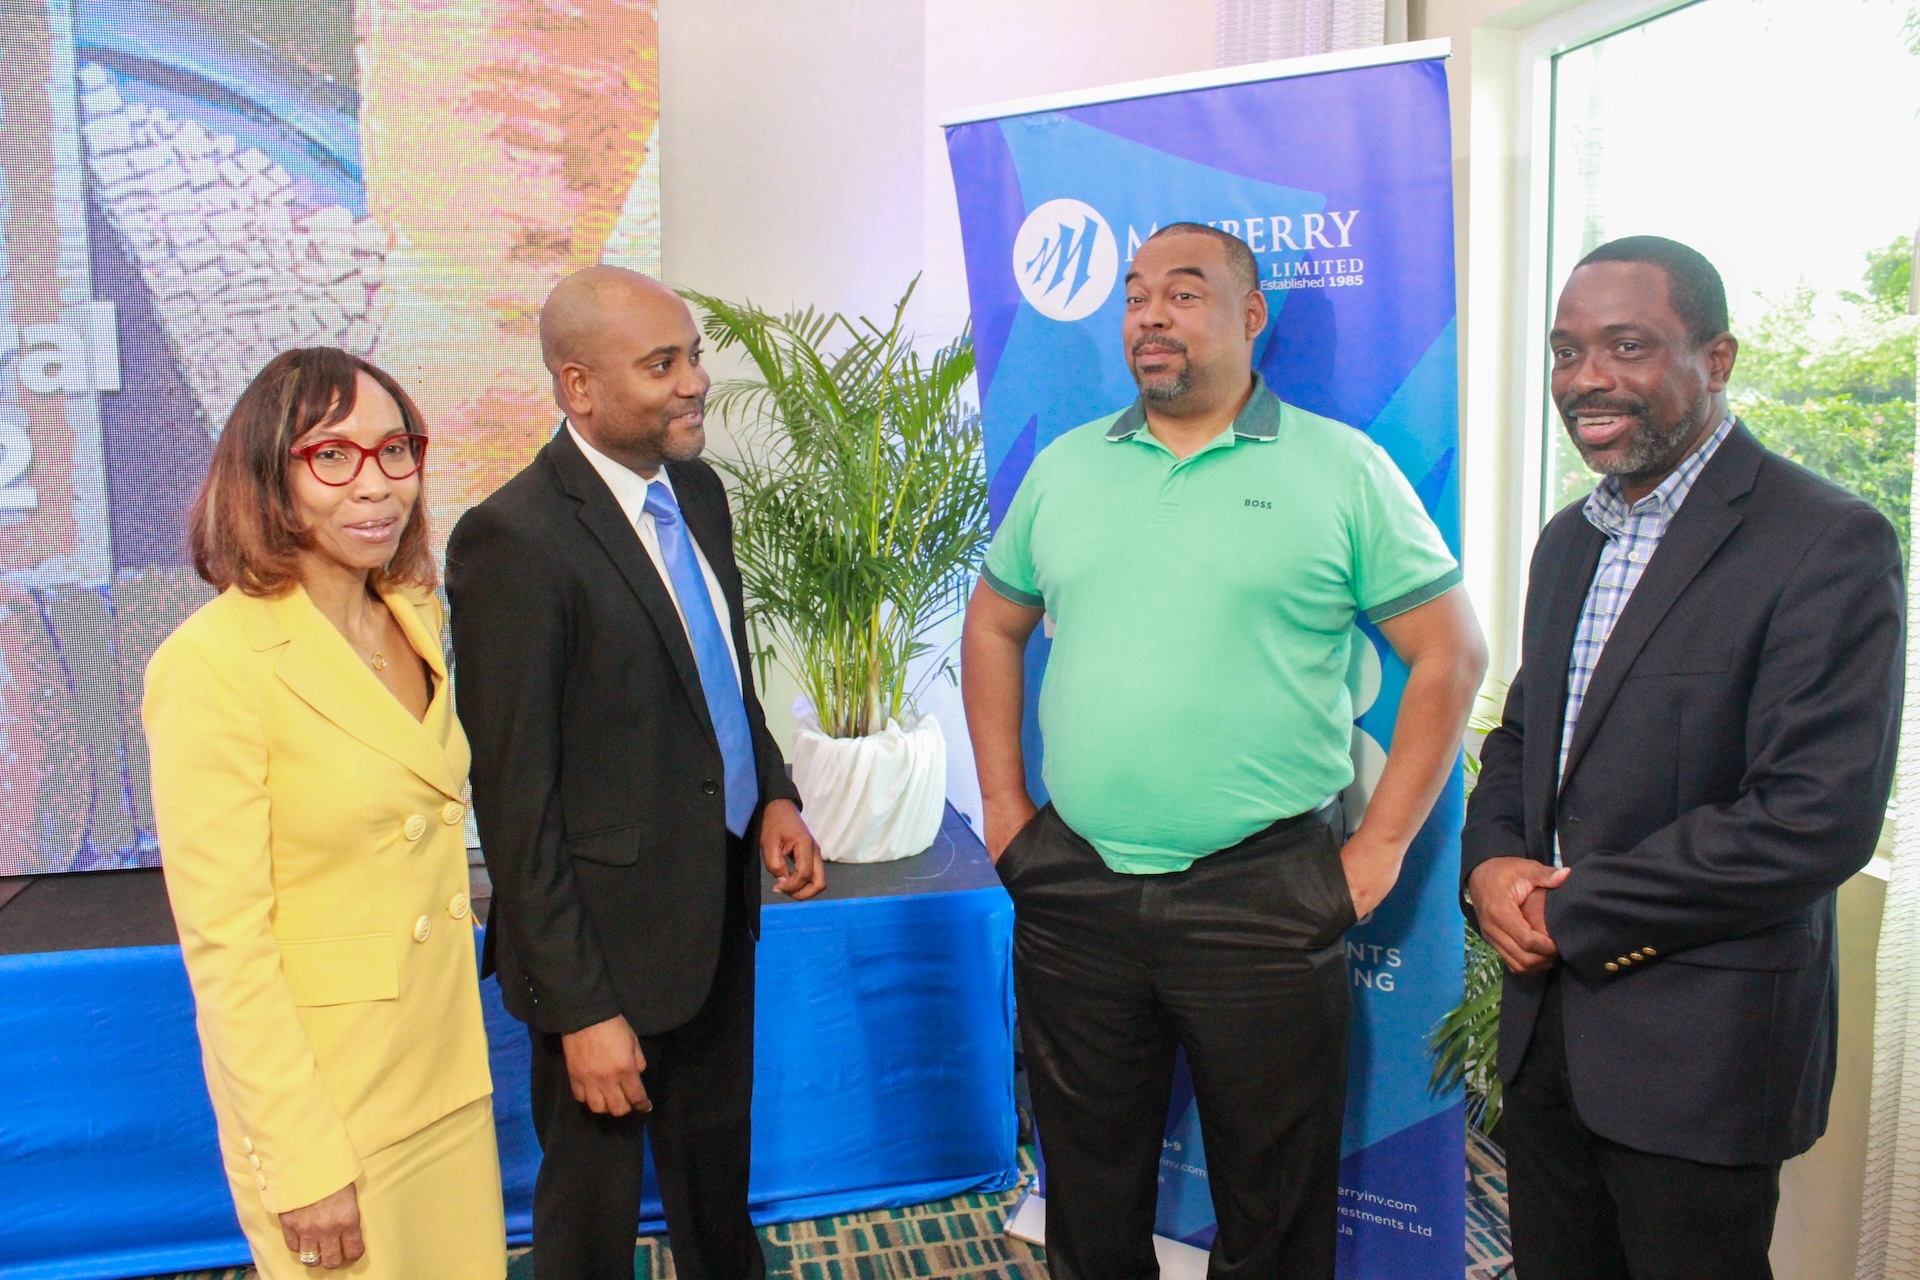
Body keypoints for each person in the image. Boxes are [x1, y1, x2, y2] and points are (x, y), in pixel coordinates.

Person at [962, 222, 1487, 1279]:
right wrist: (1009, 813)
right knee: (1088, 1189)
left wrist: (1378, 850)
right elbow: (992, 623)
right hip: (1075, 884)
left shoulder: (1341, 469)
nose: (1150, 314)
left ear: (1250, 317)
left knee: (1274, 1205)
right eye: (1135, 293)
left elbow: (1451, 654)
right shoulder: (1069, 468)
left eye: (1184, 293)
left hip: (1264, 891)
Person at [1462, 236, 1904, 1280]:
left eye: (1628, 345)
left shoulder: (1825, 540)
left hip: (1703, 1057)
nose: (1588, 379)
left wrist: (1565, 912)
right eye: (1568, 351)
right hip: (1547, 1044)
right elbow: (1527, 737)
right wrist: (1489, 866)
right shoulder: (1571, 537)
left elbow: (1814, 816)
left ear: (1718, 359)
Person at [446, 265, 824, 1280]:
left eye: (694, 354)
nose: (695, 381)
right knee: (589, 1231)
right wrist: (580, 1009)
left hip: (716, 912)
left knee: (716, 1197)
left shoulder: (695, 489)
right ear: (579, 387)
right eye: (662, 364)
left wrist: (776, 791)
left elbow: (723, 679)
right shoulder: (511, 541)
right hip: (599, 961)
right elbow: (515, 803)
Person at [143, 348, 505, 1277]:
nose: (376, 484)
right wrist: (301, 1162)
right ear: (271, 476)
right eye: (332, 457)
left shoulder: (414, 607)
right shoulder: (211, 664)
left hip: (442, 1068)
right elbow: (226, 945)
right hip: (330, 1104)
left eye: (395, 450)